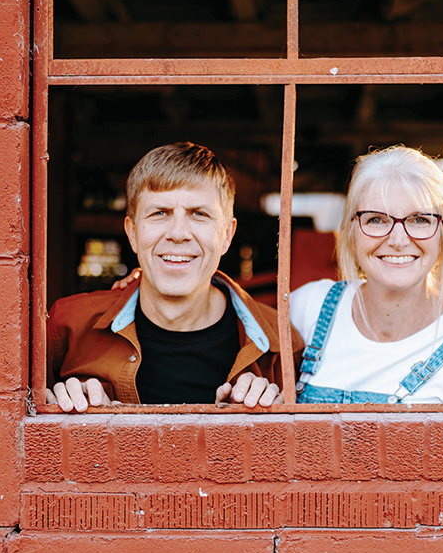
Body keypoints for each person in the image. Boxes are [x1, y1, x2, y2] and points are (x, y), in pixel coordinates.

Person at [46, 142, 303, 412]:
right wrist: (63, 412)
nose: (178, 233)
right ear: (132, 233)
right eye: (159, 213)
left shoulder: (281, 343)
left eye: (199, 214)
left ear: (227, 234)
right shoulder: (67, 328)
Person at [290, 146, 443, 404]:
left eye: (419, 219)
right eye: (376, 219)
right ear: (352, 231)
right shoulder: (308, 308)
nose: (398, 240)